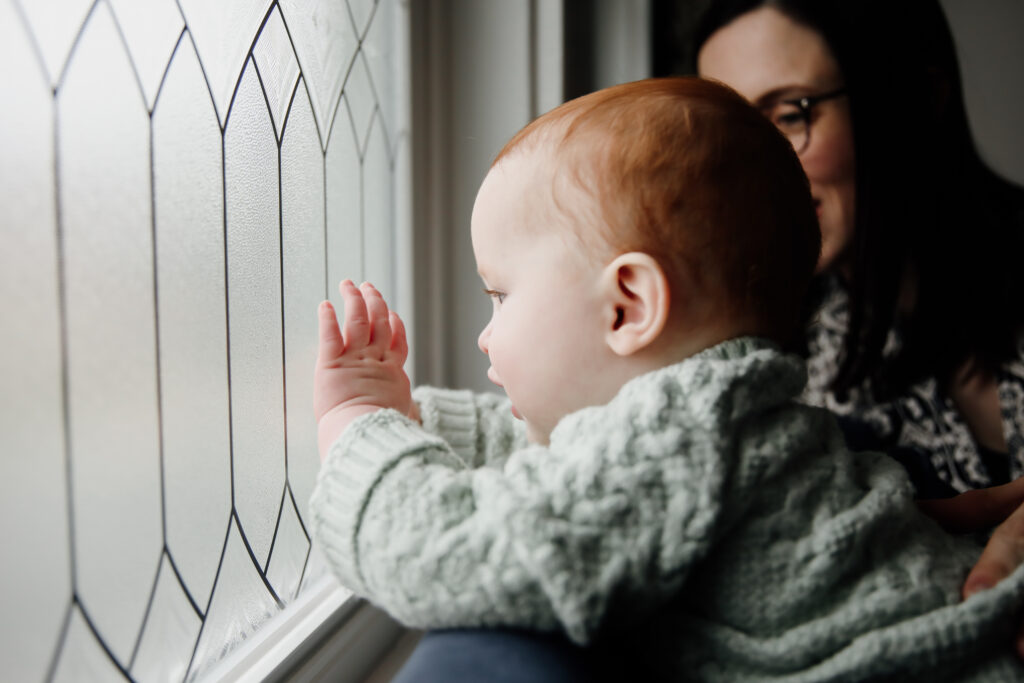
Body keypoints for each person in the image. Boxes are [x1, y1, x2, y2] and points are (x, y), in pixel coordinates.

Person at [308, 77, 1024, 680]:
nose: (485, 333)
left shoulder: (688, 436)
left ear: (629, 305)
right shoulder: (729, 410)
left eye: (500, 296)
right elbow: (569, 457)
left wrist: (359, 428)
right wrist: (419, 422)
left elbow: (460, 554)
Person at [695, 0, 1024, 499]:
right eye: (731, 134)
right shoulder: (776, 366)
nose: (751, 174)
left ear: (915, 97)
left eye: (789, 114)